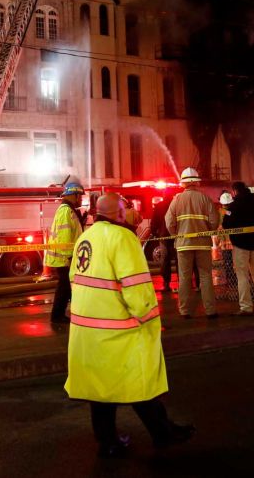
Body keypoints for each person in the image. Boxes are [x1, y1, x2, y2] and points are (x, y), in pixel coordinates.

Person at [65, 193, 195, 458]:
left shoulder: (85, 238)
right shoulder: (123, 238)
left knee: (101, 390)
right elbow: (135, 284)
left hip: (88, 329)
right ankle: (163, 434)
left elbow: (74, 278)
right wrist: (148, 316)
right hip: (120, 329)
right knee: (140, 381)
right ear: (120, 213)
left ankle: (109, 441)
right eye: (125, 209)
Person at [166, 167, 220, 319]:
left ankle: (185, 311)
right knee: (205, 276)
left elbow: (169, 222)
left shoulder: (176, 200)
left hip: (183, 244)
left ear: (183, 183)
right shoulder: (205, 198)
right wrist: (208, 230)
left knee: (184, 278)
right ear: (197, 182)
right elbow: (214, 221)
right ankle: (210, 311)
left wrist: (176, 235)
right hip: (203, 244)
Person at [223, 182, 254, 316]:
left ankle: (246, 306)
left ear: (235, 191)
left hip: (240, 244)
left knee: (242, 276)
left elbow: (226, 224)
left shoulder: (233, 206)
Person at [45, 181, 85, 324]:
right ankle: (57, 316)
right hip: (63, 258)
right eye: (79, 196)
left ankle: (62, 315)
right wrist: (69, 257)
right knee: (64, 288)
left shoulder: (68, 210)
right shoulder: (65, 211)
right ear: (73, 195)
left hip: (64, 257)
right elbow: (65, 237)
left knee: (66, 288)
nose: (81, 199)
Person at [150, 193, 176, 293]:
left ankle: (166, 284)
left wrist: (155, 233)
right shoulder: (175, 204)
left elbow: (154, 222)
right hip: (176, 236)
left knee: (165, 260)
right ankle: (183, 283)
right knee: (179, 260)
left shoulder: (159, 206)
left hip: (163, 236)